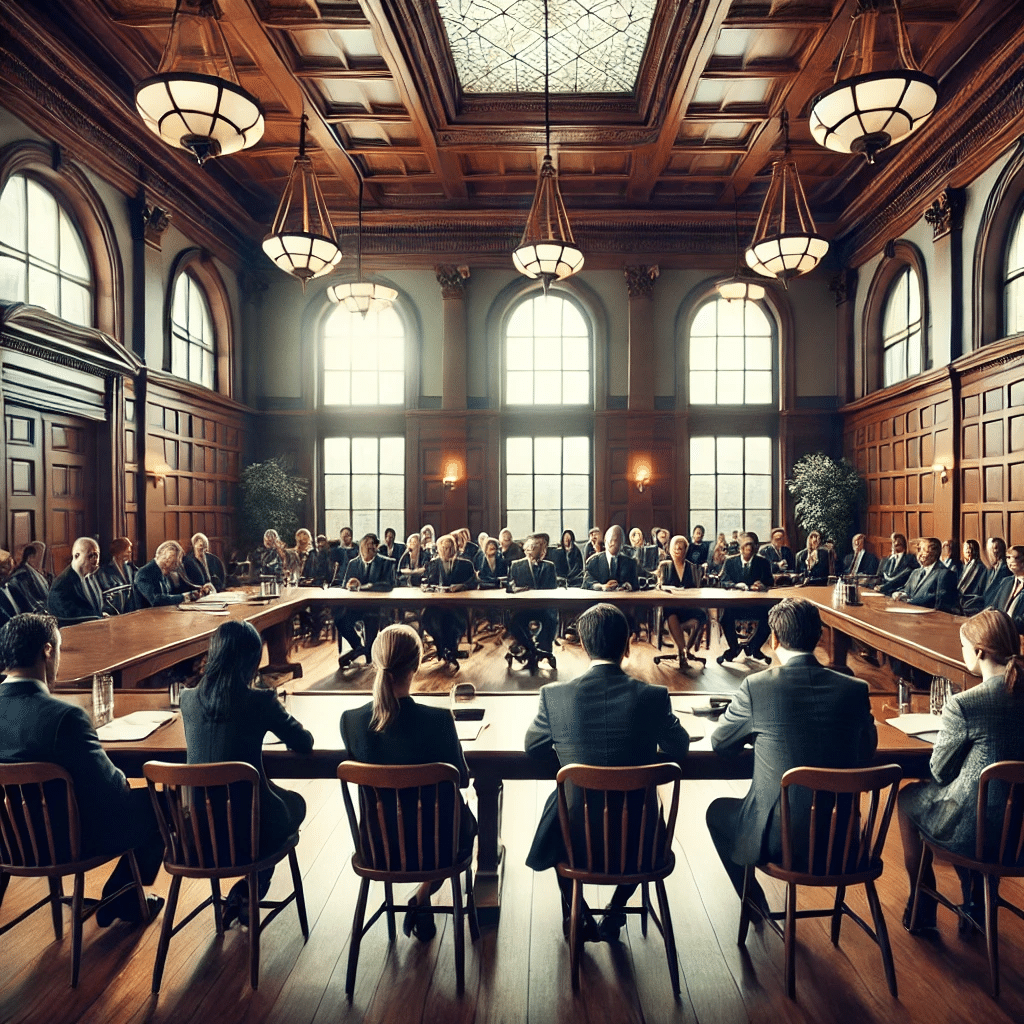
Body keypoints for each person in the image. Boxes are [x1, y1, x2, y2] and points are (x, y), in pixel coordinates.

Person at [524, 604, 690, 942]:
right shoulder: (653, 697)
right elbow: (679, 746)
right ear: (628, 645)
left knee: (558, 814)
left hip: (577, 840)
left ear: (583, 647)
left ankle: (577, 912)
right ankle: (616, 908)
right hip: (641, 840)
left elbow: (532, 747)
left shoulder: (554, 696)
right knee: (629, 814)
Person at [706, 598, 877, 906]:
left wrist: (759, 740)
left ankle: (754, 903)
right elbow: (866, 752)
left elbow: (720, 744)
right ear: (820, 636)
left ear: (773, 638)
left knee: (717, 812)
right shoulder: (855, 688)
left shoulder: (757, 686)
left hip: (779, 842)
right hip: (844, 841)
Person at [0, 613, 165, 924]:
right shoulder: (65, 717)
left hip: (7, 844)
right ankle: (123, 898)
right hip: (67, 843)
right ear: (48, 650)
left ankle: (125, 900)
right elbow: (110, 791)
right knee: (161, 803)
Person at [340, 625, 477, 942]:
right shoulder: (439, 720)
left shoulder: (351, 720)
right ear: (417, 665)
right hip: (437, 849)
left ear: (376, 662)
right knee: (465, 826)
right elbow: (463, 777)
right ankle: (421, 896)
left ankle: (421, 900)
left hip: (378, 846)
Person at [897, 609, 1024, 933]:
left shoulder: (967, 703)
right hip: (1019, 834)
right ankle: (977, 903)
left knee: (911, 797)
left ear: (979, 651)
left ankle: (922, 904)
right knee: (983, 804)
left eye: (964, 646)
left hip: (977, 831)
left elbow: (939, 771)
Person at [180, 620, 313, 927]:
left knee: (273, 800)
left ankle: (244, 892)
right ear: (253, 660)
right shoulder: (259, 700)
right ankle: (249, 889)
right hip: (245, 833)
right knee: (295, 806)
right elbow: (304, 743)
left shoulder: (187, 700)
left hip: (196, 834)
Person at [334, 533, 396, 669]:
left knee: (371, 618)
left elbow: (388, 585)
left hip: (378, 607)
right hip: (356, 606)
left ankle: (368, 654)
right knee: (340, 619)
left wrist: (363, 587)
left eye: (370, 546)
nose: (367, 549)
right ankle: (358, 647)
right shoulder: (353, 563)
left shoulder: (387, 563)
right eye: (364, 546)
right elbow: (345, 584)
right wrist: (350, 585)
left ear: (376, 547)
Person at [422, 533, 477, 669]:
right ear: (439, 549)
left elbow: (474, 583)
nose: (447, 551)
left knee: (453, 621)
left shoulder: (466, 564)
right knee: (432, 620)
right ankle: (444, 650)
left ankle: (450, 650)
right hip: (436, 605)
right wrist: (431, 588)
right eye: (444, 548)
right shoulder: (432, 564)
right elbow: (424, 583)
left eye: (450, 548)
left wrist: (462, 586)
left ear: (455, 548)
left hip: (456, 605)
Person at [717, 532, 773, 665]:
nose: (749, 549)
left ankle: (754, 647)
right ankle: (734, 649)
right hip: (735, 605)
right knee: (725, 619)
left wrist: (762, 585)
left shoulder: (763, 562)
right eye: (746, 546)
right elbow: (722, 580)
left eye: (751, 546)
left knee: (770, 619)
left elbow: (770, 581)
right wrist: (735, 585)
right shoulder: (730, 562)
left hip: (756, 605)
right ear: (740, 548)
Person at [508, 534, 558, 672]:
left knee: (550, 621)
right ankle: (530, 650)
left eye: (542, 548)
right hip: (523, 608)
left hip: (543, 608)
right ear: (527, 549)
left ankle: (543, 651)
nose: (542, 551)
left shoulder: (549, 567)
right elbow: (509, 586)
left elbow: (553, 588)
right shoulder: (516, 565)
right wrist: (516, 589)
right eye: (537, 547)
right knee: (514, 622)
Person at [657, 535, 707, 667]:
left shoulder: (692, 567)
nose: (678, 550)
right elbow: (659, 586)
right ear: (670, 550)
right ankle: (683, 653)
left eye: (681, 548)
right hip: (671, 605)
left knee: (700, 617)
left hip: (688, 605)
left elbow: (697, 589)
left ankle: (684, 650)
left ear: (686, 550)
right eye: (675, 547)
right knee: (671, 613)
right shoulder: (664, 566)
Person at [135, 540, 213, 607]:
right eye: (174, 563)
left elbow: (171, 594)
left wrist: (197, 590)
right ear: (165, 558)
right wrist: (185, 596)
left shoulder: (163, 572)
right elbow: (155, 600)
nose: (176, 567)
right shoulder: (144, 573)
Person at [47, 536, 106, 623]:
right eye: (91, 555)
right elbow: (68, 616)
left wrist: (101, 614)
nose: (95, 560)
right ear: (76, 556)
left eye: (97, 555)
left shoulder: (91, 577)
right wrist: (97, 618)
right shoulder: (62, 584)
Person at [891, 537, 958, 612]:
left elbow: (940, 603)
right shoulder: (915, 572)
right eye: (918, 550)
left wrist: (910, 602)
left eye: (923, 550)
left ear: (934, 553)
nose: (919, 554)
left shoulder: (945, 574)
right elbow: (907, 590)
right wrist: (900, 594)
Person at [583, 525, 639, 591]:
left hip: (622, 599)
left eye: (614, 540)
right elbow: (586, 583)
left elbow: (636, 585)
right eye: (608, 539)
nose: (610, 543)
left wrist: (629, 587)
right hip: (600, 599)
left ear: (621, 544)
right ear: (605, 540)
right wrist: (601, 587)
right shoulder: (593, 561)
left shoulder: (630, 563)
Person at [984, 544, 1024, 630]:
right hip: (1000, 633)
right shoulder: (1006, 582)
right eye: (1008, 558)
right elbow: (993, 607)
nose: (1010, 562)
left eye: (1015, 557)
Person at [97, 537, 138, 615]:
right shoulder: (104, 571)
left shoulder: (130, 568)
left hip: (130, 610)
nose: (130, 554)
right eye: (127, 552)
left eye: (130, 552)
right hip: (114, 611)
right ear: (118, 552)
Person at [958, 538, 989, 615]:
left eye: (970, 548)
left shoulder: (978, 566)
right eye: (966, 548)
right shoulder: (965, 565)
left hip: (971, 600)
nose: (968, 551)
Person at [981, 536, 1011, 604]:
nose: (995, 551)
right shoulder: (991, 569)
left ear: (1002, 549)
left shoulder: (1006, 568)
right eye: (993, 549)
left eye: (997, 548)